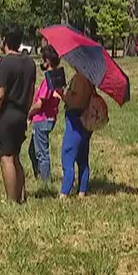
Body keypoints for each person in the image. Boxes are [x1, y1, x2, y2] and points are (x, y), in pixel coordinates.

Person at [0, 28, 35, 203]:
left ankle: (11, 200)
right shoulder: (29, 63)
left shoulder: (6, 63)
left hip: (6, 115)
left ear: (5, 40)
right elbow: (31, 91)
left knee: (5, 157)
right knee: (15, 156)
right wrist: (26, 112)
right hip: (21, 113)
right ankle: (21, 195)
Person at [60, 68, 98, 198]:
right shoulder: (90, 78)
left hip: (76, 120)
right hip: (86, 121)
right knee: (82, 157)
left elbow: (76, 101)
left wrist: (62, 95)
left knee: (68, 155)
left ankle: (65, 193)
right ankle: (82, 190)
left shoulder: (80, 78)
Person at [28, 45, 63, 182]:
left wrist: (29, 113)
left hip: (42, 119)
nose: (41, 62)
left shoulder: (49, 79)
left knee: (41, 153)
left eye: (42, 59)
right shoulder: (58, 77)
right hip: (50, 118)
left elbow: (39, 104)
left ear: (47, 61)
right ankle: (39, 175)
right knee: (32, 150)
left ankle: (45, 181)